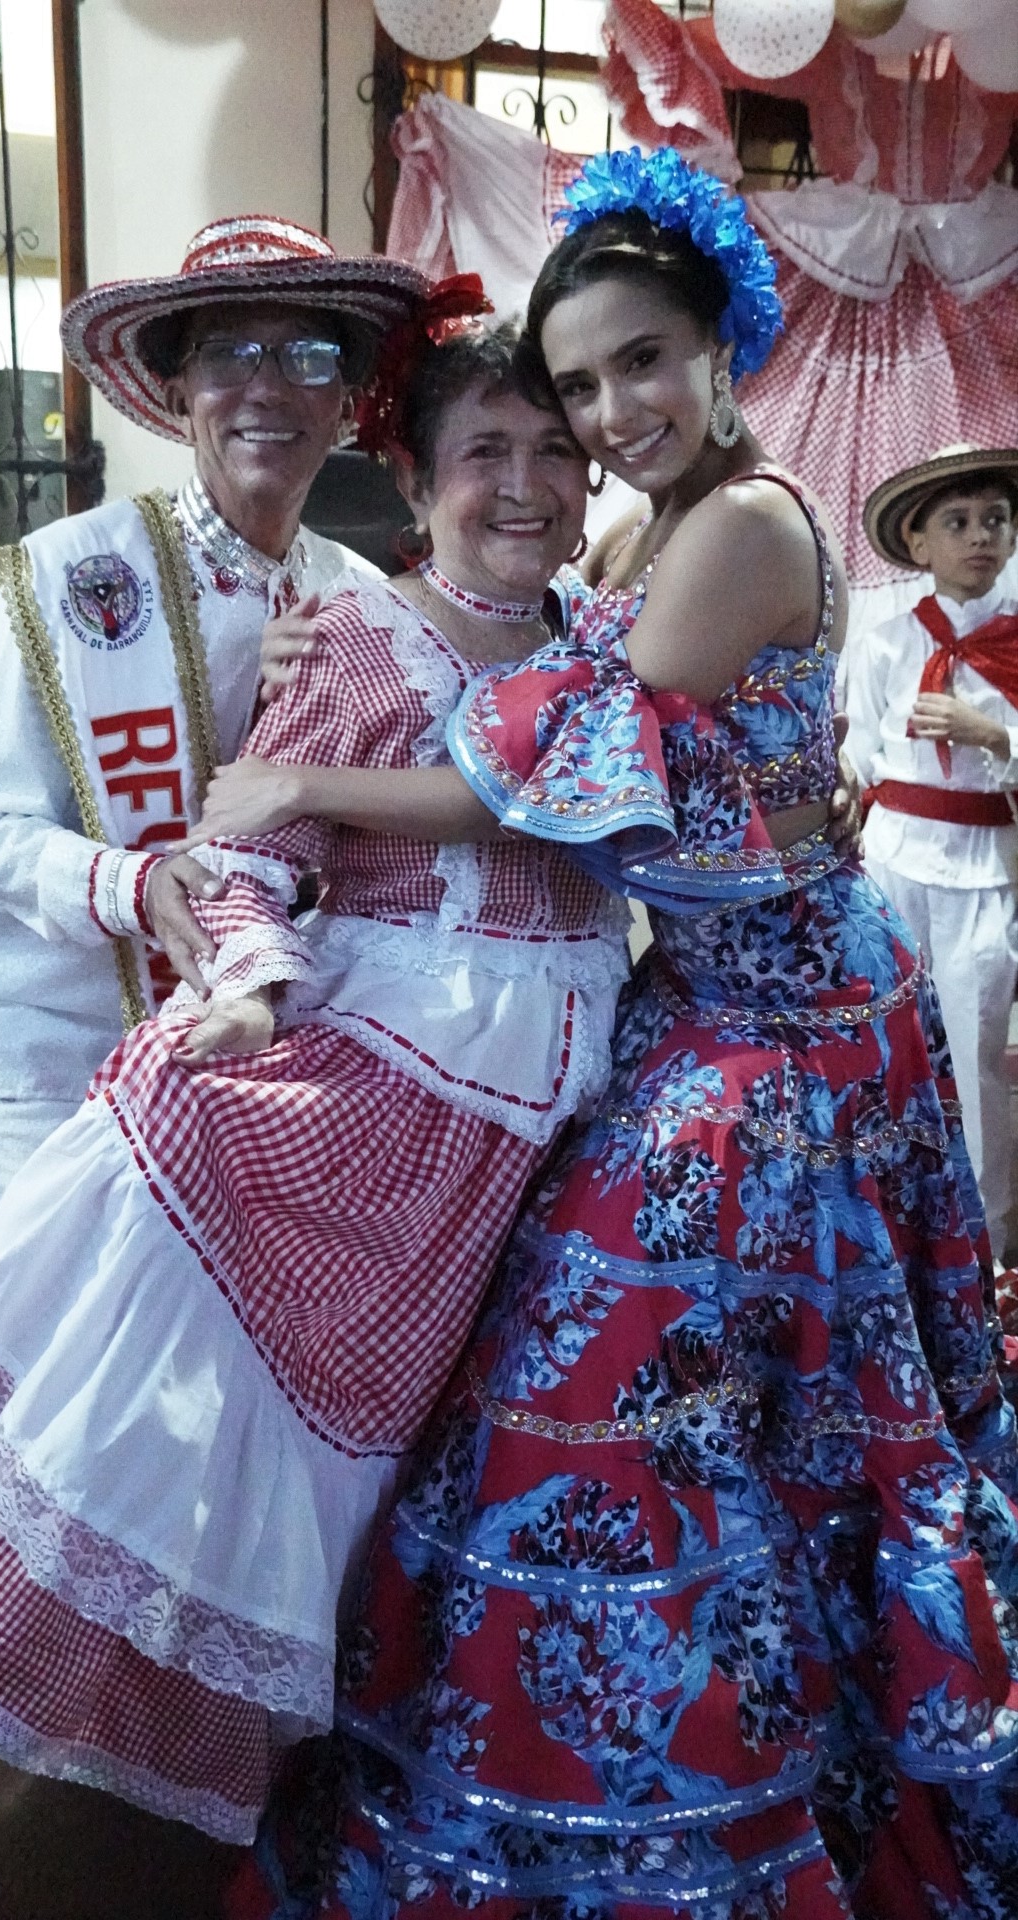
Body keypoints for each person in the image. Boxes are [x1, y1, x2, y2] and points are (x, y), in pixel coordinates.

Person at [276, 150, 1018, 1920]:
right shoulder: (652, 526)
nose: (613, 412)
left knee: (607, 1392)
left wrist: (301, 777)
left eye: (644, 365)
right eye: (583, 382)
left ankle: (717, 1804)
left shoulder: (748, 525)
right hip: (702, 1013)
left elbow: (550, 783)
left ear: (722, 347)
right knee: (716, 1419)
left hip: (789, 1047)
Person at [0, 316, 639, 1846]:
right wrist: (234, 971)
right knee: (146, 1379)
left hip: (528, 1079)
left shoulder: (528, 618)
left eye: (554, 452)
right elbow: (219, 849)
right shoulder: (95, 578)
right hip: (114, 1016)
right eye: (483, 454)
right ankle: (119, 1692)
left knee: (431, 1423)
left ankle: (420, 1710)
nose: (522, 485)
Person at [0, 216, 424, 1201]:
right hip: (51, 1033)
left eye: (310, 353)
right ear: (176, 386)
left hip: (244, 1028)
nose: (268, 385)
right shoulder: (69, 571)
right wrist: (139, 882)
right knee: (64, 1337)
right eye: (227, 352)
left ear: (345, 399)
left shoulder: (365, 594)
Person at [846, 448, 1018, 1264]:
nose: (980, 536)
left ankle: (984, 1246)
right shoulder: (883, 644)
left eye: (996, 519)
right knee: (887, 1043)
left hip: (986, 867)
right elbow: (860, 759)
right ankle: (883, 1229)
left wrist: (998, 736)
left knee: (977, 1047)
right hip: (892, 863)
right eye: (957, 522)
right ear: (918, 545)